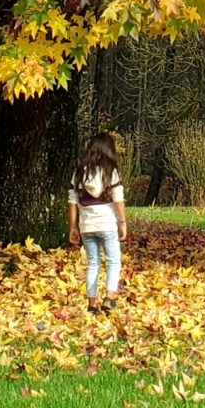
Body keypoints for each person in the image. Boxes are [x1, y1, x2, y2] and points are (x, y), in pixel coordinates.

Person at [67, 132, 127, 308]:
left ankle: (91, 304)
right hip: (107, 224)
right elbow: (118, 199)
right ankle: (109, 298)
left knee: (93, 263)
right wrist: (122, 222)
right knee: (113, 261)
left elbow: (72, 201)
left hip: (86, 225)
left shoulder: (79, 174)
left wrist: (73, 226)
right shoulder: (111, 172)